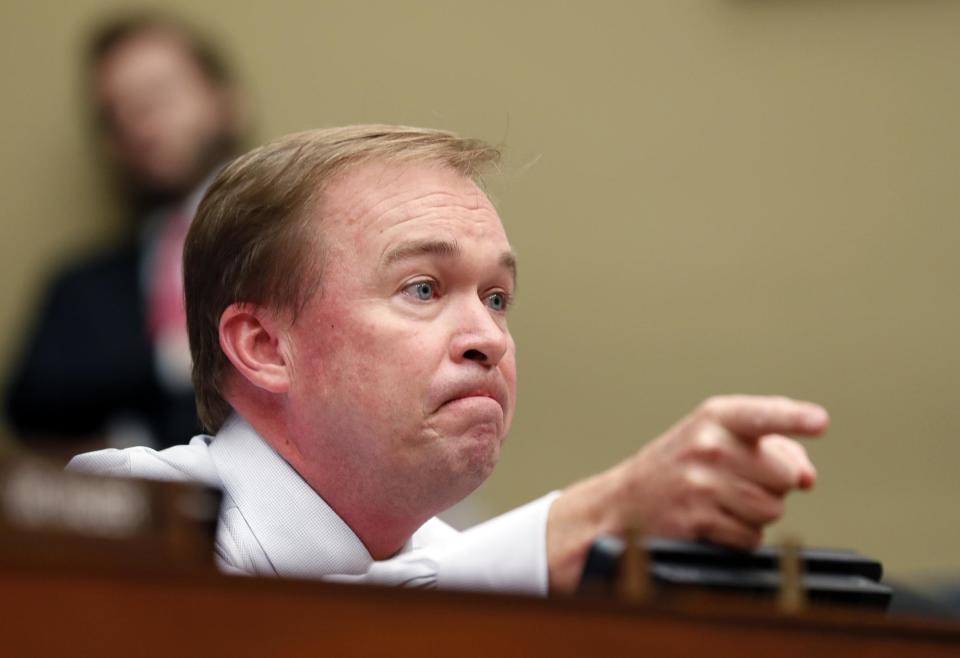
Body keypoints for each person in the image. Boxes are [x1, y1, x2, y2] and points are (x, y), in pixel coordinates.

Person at [69, 125, 828, 594]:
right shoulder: (113, 516)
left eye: (497, 298)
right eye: (423, 288)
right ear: (266, 347)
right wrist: (580, 527)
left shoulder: (453, 559)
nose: (488, 338)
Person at [5, 14, 244, 450]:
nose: (140, 123)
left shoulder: (293, 251)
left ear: (224, 101)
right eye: (116, 112)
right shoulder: (79, 287)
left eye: (159, 94)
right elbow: (32, 409)